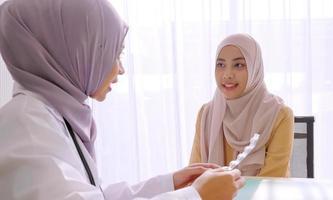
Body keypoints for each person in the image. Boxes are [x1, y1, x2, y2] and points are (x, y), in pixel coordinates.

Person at [0, 0, 245, 199]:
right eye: (113, 53)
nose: (120, 69)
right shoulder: (26, 127)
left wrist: (170, 184)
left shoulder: (49, 115)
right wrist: (196, 196)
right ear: (77, 51)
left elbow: (92, 196)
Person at [189, 33, 294, 177]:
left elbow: (272, 179)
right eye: (221, 65)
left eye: (238, 65)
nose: (227, 74)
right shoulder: (206, 114)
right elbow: (194, 176)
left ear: (254, 68)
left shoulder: (279, 115)